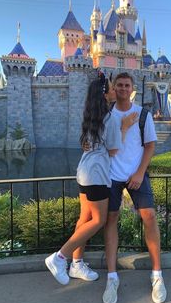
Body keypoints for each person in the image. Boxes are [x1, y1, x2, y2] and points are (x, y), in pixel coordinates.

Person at [45, 73, 137, 285]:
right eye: (112, 88)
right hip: (96, 175)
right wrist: (124, 127)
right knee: (98, 220)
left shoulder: (91, 115)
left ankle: (76, 264)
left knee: (84, 219)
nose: (116, 90)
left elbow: (90, 143)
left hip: (84, 171)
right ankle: (60, 257)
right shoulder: (111, 118)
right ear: (105, 94)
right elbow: (114, 150)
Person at [102, 72, 167, 303]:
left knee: (149, 216)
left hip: (136, 174)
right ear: (114, 87)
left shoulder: (143, 114)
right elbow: (103, 146)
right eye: (118, 84)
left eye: (126, 85)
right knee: (111, 218)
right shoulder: (106, 114)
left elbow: (150, 146)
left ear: (132, 89)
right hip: (111, 176)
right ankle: (111, 277)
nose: (122, 88)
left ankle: (157, 275)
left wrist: (139, 172)